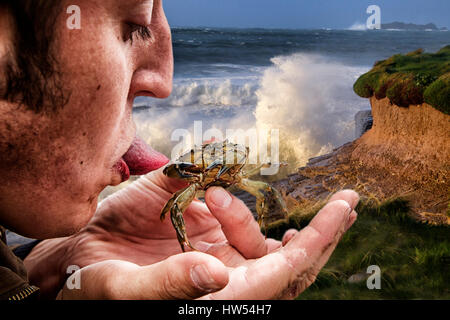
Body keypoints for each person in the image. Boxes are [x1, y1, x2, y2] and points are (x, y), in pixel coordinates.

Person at [0, 0, 359, 300]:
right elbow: (175, 207)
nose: (165, 82)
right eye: (135, 26)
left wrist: (56, 259)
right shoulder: (184, 188)